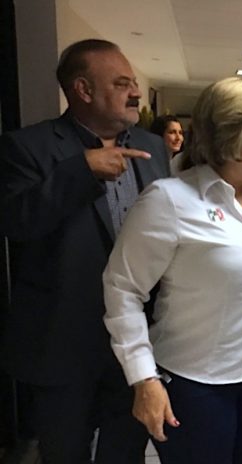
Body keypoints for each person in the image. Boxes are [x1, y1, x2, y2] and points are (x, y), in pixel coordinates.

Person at [102, 77, 242, 464]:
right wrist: (143, 377)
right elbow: (123, 290)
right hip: (193, 380)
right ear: (235, 138)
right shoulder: (169, 201)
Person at [0, 39, 170, 463]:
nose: (135, 92)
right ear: (83, 90)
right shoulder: (27, 147)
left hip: (135, 344)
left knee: (125, 453)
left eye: (134, 83)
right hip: (62, 345)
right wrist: (81, 171)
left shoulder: (153, 148)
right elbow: (17, 223)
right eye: (122, 83)